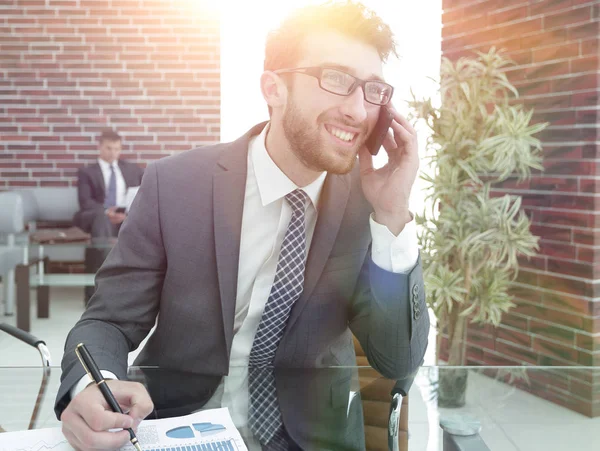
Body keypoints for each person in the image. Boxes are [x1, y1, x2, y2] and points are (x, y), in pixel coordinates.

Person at [56, 2, 430, 450]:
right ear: (273, 88)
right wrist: (92, 388)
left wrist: (391, 217)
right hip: (175, 425)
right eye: (335, 79)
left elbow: (398, 358)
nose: (356, 110)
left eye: (373, 90)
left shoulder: (367, 205)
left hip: (312, 438)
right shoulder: (174, 185)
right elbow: (109, 322)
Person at [72, 129, 144, 301]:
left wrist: (127, 215)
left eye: (117, 149)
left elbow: (142, 197)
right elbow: (85, 202)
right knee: (101, 220)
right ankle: (101, 288)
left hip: (124, 217)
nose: (113, 153)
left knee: (141, 221)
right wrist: (106, 211)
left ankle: (132, 292)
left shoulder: (133, 170)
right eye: (109, 148)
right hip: (95, 217)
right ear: (100, 147)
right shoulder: (87, 172)